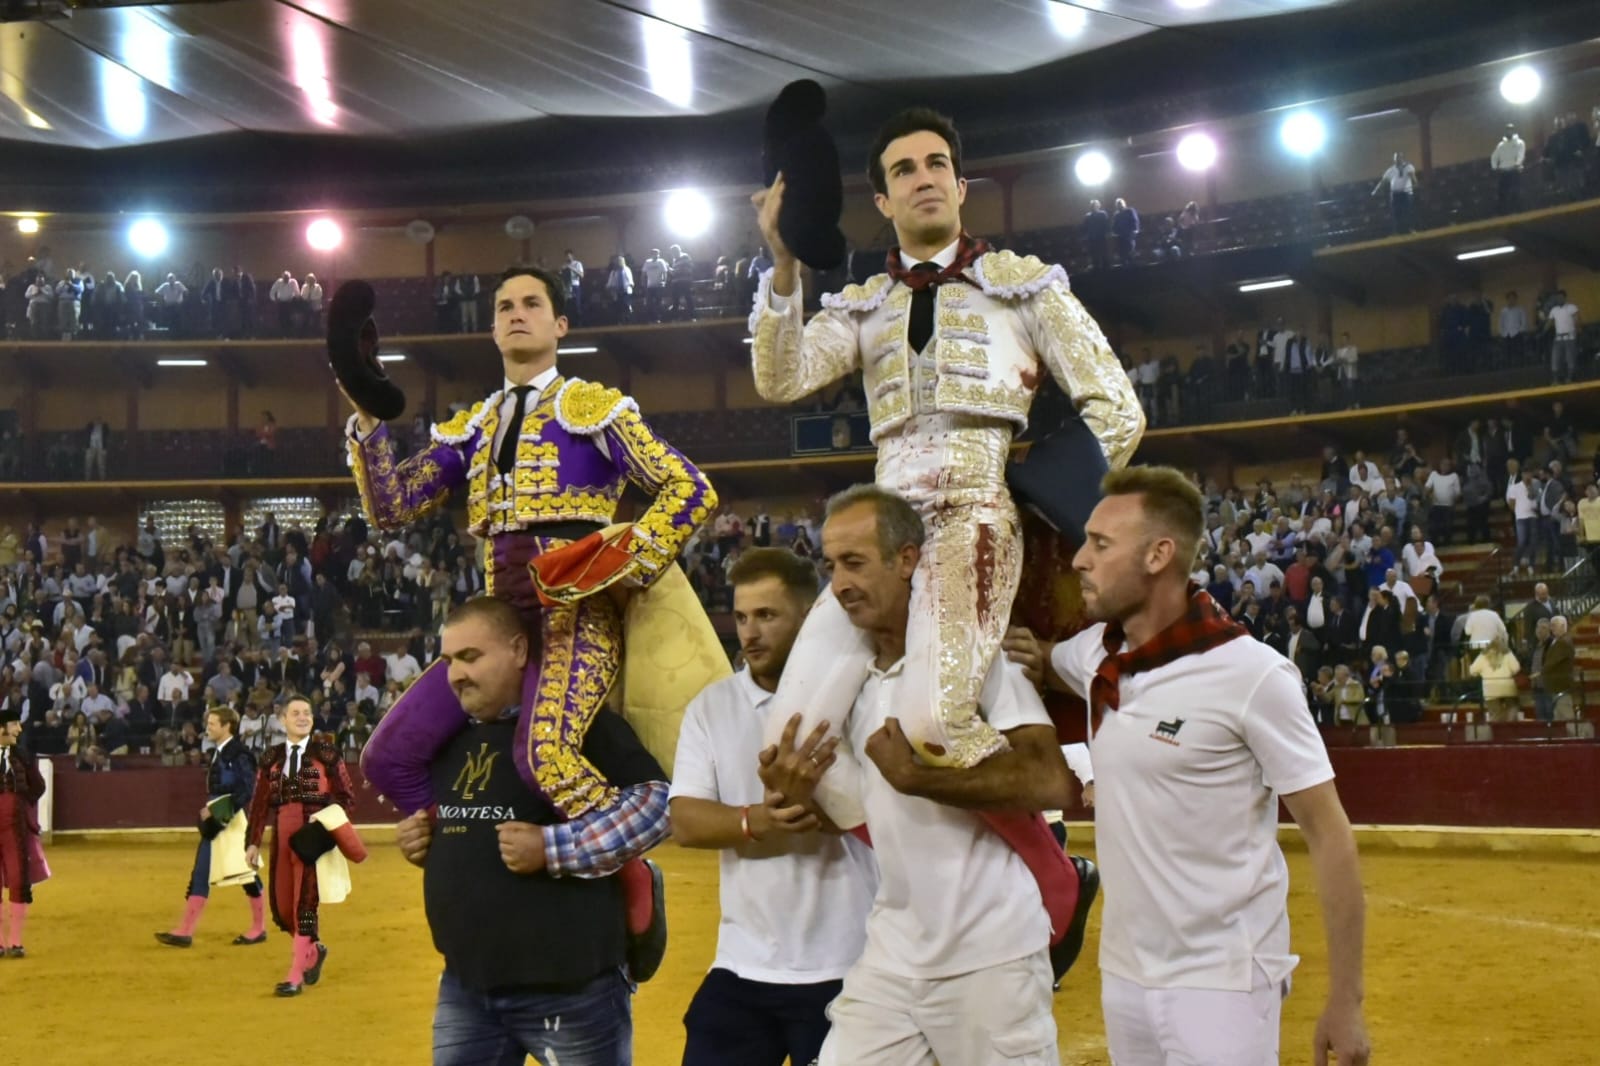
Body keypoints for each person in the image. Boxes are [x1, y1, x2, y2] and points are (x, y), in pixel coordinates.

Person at [748, 108, 1139, 965]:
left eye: (936, 165)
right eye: (904, 170)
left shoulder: (1024, 287)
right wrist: (782, 262)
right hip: (881, 524)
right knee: (788, 747)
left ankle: (1055, 879)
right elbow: (780, 379)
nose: (922, 178)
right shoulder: (865, 304)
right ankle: (928, 885)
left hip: (974, 513)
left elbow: (1118, 409)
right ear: (882, 201)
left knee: (931, 722)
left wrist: (1040, 509)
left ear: (961, 187)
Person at [345, 265, 713, 977]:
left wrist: (622, 563)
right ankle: (456, 839)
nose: (517, 314)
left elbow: (688, 489)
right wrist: (366, 416)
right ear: (492, 327)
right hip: (497, 626)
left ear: (559, 325)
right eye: (505, 305)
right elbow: (391, 505)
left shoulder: (594, 409)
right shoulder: (474, 425)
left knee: (545, 754)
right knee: (387, 756)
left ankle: (631, 867)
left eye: (532, 304)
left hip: (576, 619)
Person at [1010, 465, 1370, 1066]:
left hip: (1223, 980)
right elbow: (1048, 659)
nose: (1079, 559)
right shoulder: (1096, 654)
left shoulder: (1252, 675)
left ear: (1158, 555)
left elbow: (1329, 834)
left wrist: (1346, 1000)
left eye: (1101, 544)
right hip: (1124, 973)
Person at [762, 486, 1085, 1066]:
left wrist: (917, 778)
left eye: (855, 563)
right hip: (892, 949)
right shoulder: (846, 688)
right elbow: (870, 818)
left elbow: (1050, 780)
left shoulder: (974, 661)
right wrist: (801, 797)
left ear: (906, 560)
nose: (840, 585)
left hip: (993, 954)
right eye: (831, 567)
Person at [393, 597, 669, 1066]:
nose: (456, 674)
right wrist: (422, 841)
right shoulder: (449, 741)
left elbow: (657, 805)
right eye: (448, 661)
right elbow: (465, 827)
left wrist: (553, 848)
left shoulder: (581, 727)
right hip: (466, 986)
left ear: (519, 650)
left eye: (470, 657)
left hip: (572, 988)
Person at [670, 548, 877, 1066]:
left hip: (851, 964)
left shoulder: (862, 698)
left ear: (808, 618)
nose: (750, 633)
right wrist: (759, 820)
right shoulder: (712, 706)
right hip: (742, 964)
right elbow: (686, 822)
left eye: (766, 615)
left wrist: (820, 811)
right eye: (742, 617)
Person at [245, 696, 357, 996]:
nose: (302, 717)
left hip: (312, 838)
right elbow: (259, 804)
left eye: (307, 713)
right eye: (295, 713)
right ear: (282, 719)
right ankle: (314, 949)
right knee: (284, 909)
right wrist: (252, 843)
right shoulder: (271, 757)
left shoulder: (326, 753)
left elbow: (347, 798)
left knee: (304, 906)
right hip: (282, 837)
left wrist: (326, 826)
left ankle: (294, 976)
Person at [155, 706, 268, 948]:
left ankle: (257, 928)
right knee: (212, 872)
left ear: (227, 726)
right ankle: (186, 930)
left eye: (213, 724)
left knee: (245, 874)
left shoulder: (239, 753)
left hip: (230, 820)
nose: (208, 728)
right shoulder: (223, 751)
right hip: (222, 818)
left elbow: (247, 790)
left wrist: (218, 812)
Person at [0, 710, 47, 957]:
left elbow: (38, 786)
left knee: (18, 879)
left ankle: (15, 942)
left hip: (14, 824)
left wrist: (21, 803)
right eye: (14, 724)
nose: (19, 729)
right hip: (11, 822)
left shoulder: (21, 755)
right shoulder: (20, 755)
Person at [1373, 150, 1420, 233]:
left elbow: (1413, 177)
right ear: (1394, 159)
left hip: (1406, 193)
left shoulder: (1408, 167)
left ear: (1402, 158)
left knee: (1407, 212)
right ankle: (1398, 232)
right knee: (1396, 214)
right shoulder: (1390, 170)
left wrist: (1415, 183)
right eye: (1396, 158)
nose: (1398, 159)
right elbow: (1383, 181)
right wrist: (1376, 190)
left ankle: (1410, 229)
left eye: (1399, 157)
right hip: (1395, 194)